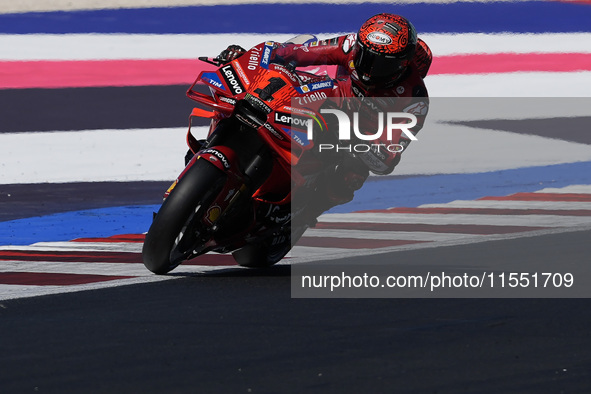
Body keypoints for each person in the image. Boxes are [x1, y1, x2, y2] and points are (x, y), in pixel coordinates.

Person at [217, 13, 432, 210]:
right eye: (366, 56)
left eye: (383, 64)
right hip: (325, 102)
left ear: (403, 65)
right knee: (267, 91)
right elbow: (295, 53)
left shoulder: (415, 100)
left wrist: (358, 141)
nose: (370, 68)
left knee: (350, 177)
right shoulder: (349, 46)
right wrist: (249, 59)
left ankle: (305, 212)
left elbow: (388, 158)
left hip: (356, 138)